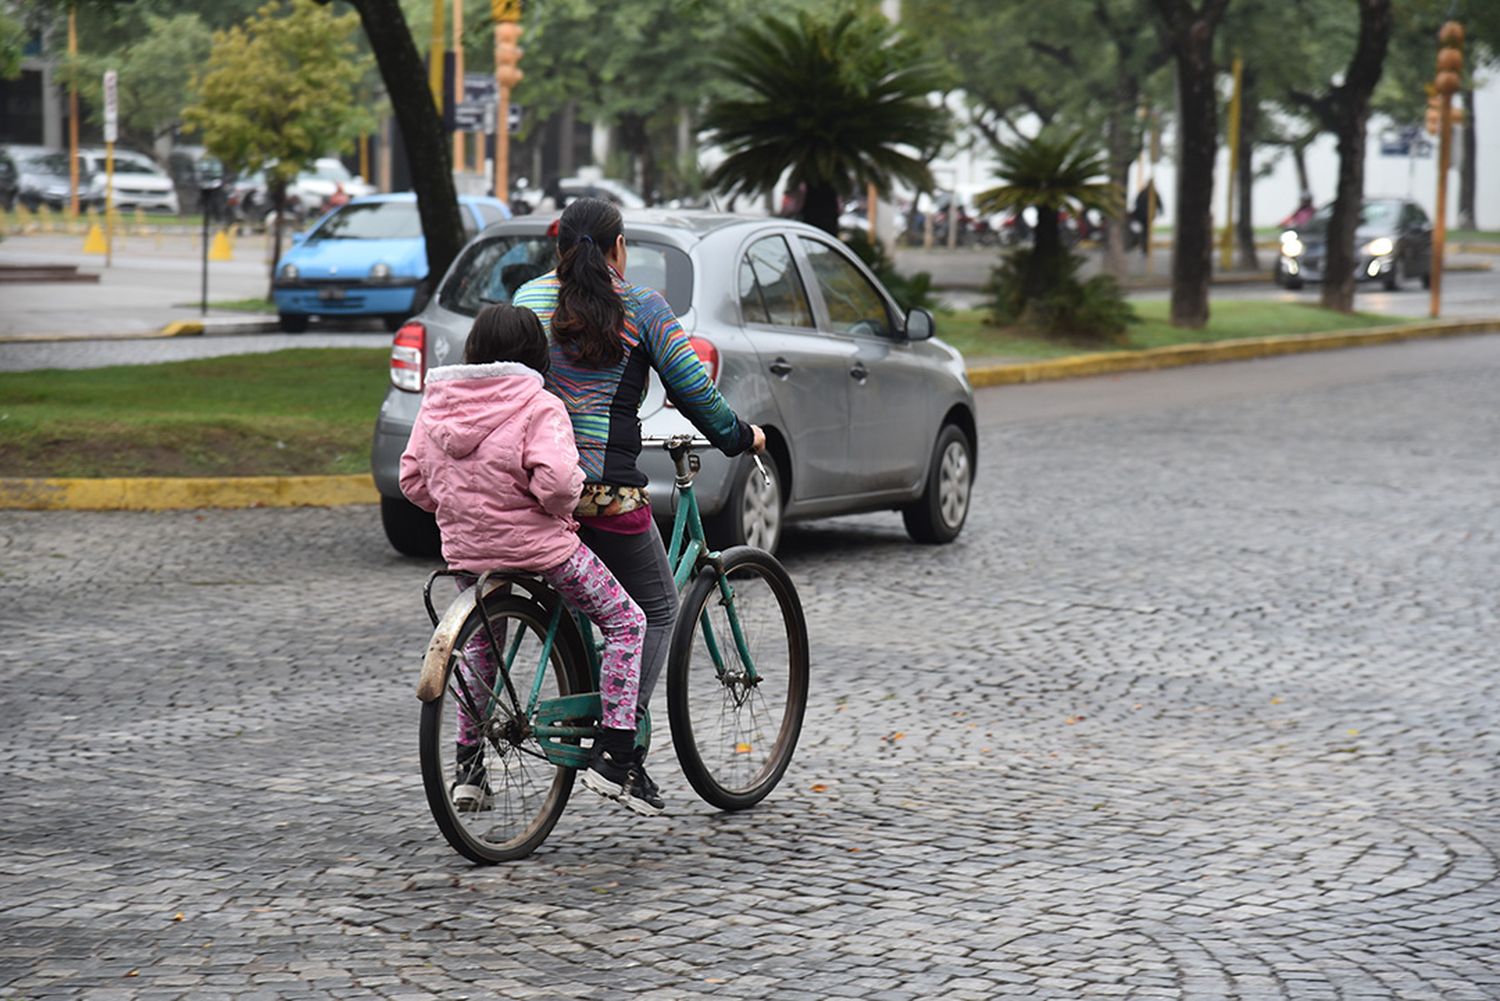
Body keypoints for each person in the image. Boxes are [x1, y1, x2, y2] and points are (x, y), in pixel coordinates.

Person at [513, 197, 766, 814]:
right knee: (655, 608)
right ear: (618, 247)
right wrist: (741, 436)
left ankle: (471, 760)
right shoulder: (643, 308)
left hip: (534, 488)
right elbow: (695, 393)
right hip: (604, 493)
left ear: (559, 248)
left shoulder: (526, 300)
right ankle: (618, 752)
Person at [398, 303, 657, 815]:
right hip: (541, 549)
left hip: (469, 555)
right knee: (627, 621)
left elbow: (412, 481)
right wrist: (551, 504)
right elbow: (560, 484)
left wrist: (457, 505)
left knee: (482, 650)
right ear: (533, 354)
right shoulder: (538, 404)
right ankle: (617, 753)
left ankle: (469, 769)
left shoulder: (437, 404)